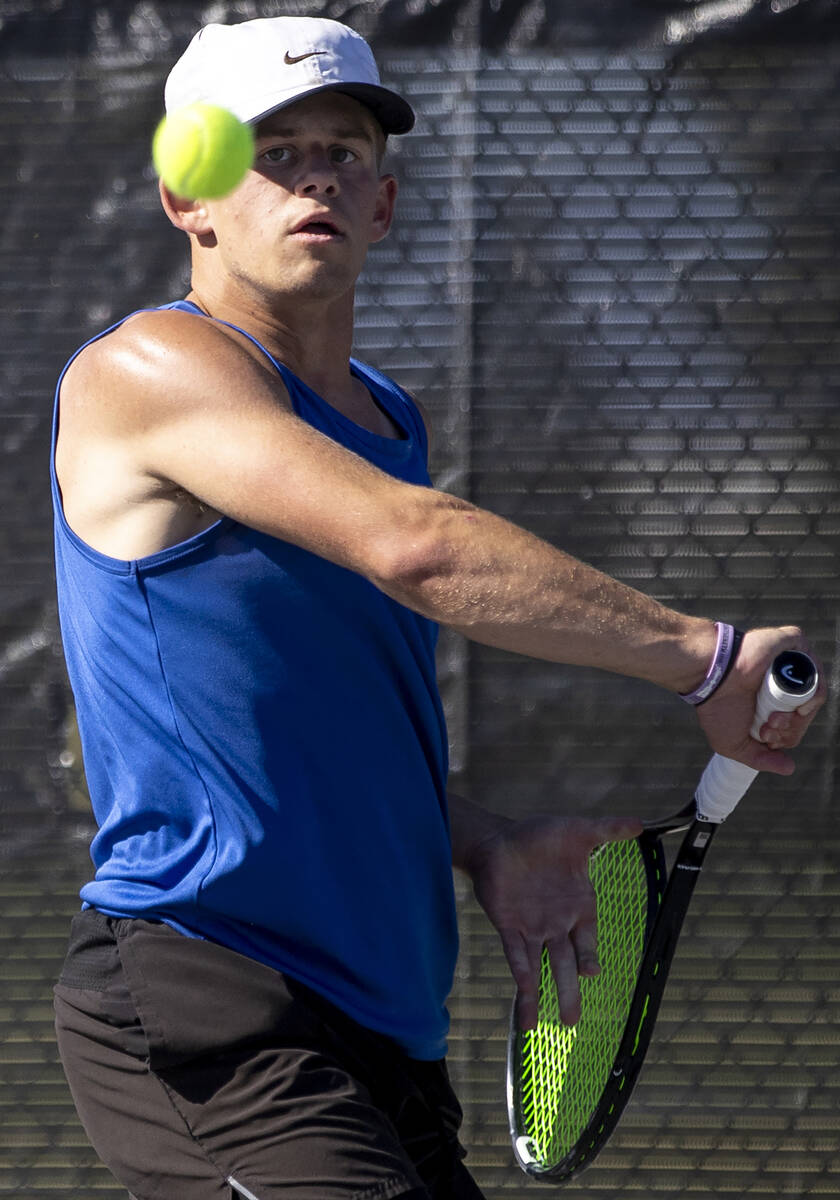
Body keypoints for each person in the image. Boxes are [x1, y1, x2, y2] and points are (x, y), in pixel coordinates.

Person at [50, 16, 823, 1200]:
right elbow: (421, 550)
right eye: (273, 151)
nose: (317, 172)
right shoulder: (147, 372)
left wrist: (485, 846)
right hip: (214, 1000)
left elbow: (334, 716)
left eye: (345, 152)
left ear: (385, 205)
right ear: (186, 199)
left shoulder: (382, 416)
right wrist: (706, 658)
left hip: (382, 1027)